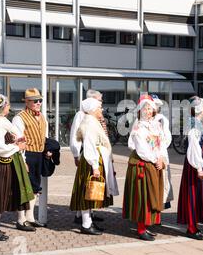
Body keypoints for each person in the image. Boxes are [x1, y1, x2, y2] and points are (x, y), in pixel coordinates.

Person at [0, 95, 34, 241]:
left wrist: (17, 142)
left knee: (1, 195)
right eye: (8, 104)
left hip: (4, 162)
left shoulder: (2, 121)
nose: (9, 107)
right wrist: (17, 146)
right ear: (2, 107)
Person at [69, 98, 119, 235]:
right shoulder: (90, 123)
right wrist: (95, 166)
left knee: (91, 192)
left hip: (94, 159)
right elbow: (90, 145)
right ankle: (86, 224)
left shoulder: (91, 121)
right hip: (92, 160)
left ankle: (88, 221)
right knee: (88, 192)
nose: (101, 110)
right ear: (92, 110)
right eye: (99, 108)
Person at [123, 94, 165, 241]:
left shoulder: (155, 125)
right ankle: (141, 229)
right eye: (144, 108)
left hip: (154, 163)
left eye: (150, 108)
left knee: (152, 196)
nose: (147, 111)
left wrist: (160, 158)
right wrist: (155, 159)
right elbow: (142, 150)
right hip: (143, 164)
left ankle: (146, 226)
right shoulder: (139, 127)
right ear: (140, 110)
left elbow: (160, 144)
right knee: (143, 198)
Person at [177, 96, 203, 240]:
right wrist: (199, 168)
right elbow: (193, 147)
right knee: (194, 194)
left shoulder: (197, 123)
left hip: (199, 161)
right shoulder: (194, 125)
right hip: (196, 163)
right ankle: (192, 228)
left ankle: (194, 226)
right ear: (201, 109)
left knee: (198, 195)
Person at [12, 88, 48, 231]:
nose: (38, 103)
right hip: (27, 155)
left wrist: (47, 150)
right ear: (26, 102)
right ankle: (20, 220)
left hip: (39, 155)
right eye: (35, 101)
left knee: (34, 188)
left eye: (40, 100)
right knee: (23, 188)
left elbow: (44, 136)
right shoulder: (19, 118)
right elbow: (18, 141)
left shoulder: (42, 116)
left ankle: (30, 217)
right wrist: (23, 160)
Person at [70, 89, 107, 225]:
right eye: (99, 104)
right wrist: (76, 154)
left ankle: (88, 216)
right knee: (86, 187)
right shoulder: (84, 117)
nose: (101, 107)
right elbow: (77, 137)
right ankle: (85, 220)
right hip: (87, 155)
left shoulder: (93, 119)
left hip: (93, 156)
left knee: (90, 188)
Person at [151, 94, 174, 209]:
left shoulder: (162, 119)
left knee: (161, 183)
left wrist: (159, 149)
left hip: (161, 155)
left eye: (155, 105)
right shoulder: (143, 119)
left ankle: (158, 212)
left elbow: (167, 138)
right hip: (149, 156)